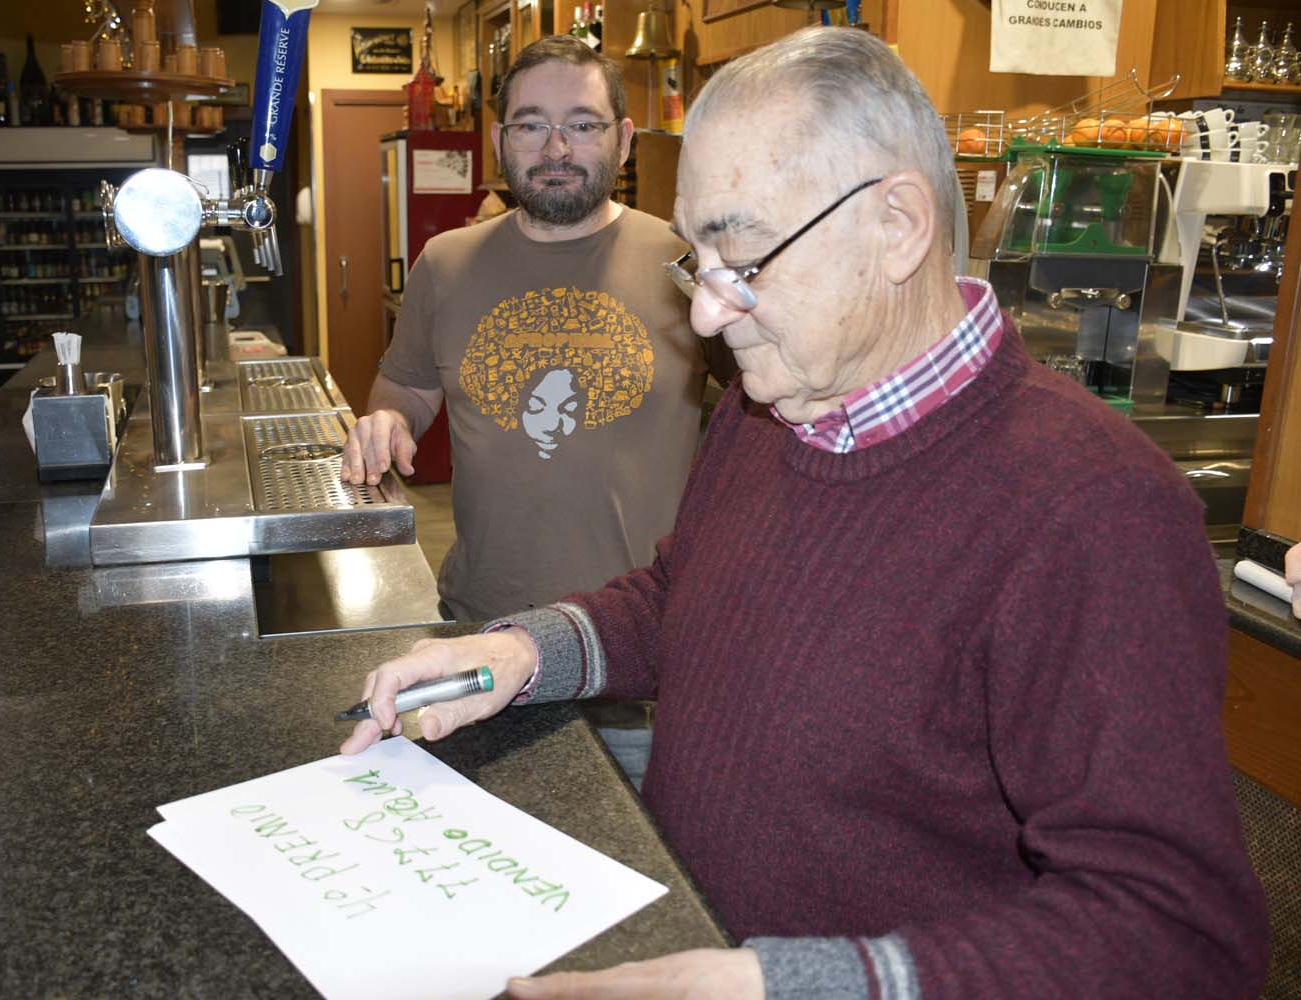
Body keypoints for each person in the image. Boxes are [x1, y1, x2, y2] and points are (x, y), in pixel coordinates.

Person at [340, 26, 1269, 1000]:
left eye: (742, 255)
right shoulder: (767, 405)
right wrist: (520, 656)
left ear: (898, 226)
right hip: (686, 922)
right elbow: (680, 595)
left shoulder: (1096, 513)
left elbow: (1181, 938)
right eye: (699, 262)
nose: (705, 315)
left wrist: (783, 984)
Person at [341, 36, 728, 626]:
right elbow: (407, 390)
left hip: (640, 637)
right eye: (529, 126)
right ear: (499, 142)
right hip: (482, 620)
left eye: (582, 125)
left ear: (623, 140)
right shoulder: (444, 264)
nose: (556, 148)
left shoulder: (686, 264)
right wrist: (388, 422)